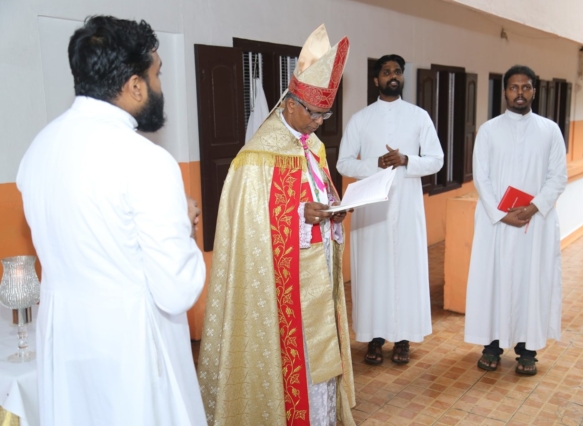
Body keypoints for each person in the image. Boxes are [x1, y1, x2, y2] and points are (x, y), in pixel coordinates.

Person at [17, 16, 206, 425]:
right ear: (135, 85)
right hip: (131, 350)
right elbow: (176, 290)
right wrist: (183, 227)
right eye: (157, 75)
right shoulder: (146, 159)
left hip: (64, 341)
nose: (160, 88)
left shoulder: (39, 149)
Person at [197, 24, 356, 425]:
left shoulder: (315, 147)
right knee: (295, 358)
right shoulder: (255, 158)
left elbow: (321, 194)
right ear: (290, 102)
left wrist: (333, 213)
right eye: (314, 112)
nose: (320, 122)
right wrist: (299, 217)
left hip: (317, 269)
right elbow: (249, 228)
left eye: (326, 113)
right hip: (283, 287)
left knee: (320, 361)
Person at [337, 54, 444, 365]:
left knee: (405, 271)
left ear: (403, 77)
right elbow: (343, 162)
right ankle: (374, 337)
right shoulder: (360, 119)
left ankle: (402, 340)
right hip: (372, 208)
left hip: (407, 205)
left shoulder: (420, 116)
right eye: (386, 72)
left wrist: (407, 160)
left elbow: (437, 159)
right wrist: (377, 163)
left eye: (397, 71)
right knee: (373, 271)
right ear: (376, 80)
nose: (392, 76)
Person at [464, 65, 567, 376]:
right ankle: (492, 346)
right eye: (513, 87)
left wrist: (534, 207)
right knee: (494, 280)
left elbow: (558, 176)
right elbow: (480, 176)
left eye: (525, 87)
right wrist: (501, 213)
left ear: (534, 90)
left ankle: (527, 350)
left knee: (532, 281)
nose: (519, 93)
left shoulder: (550, 130)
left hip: (536, 224)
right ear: (504, 91)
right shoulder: (489, 130)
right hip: (496, 222)